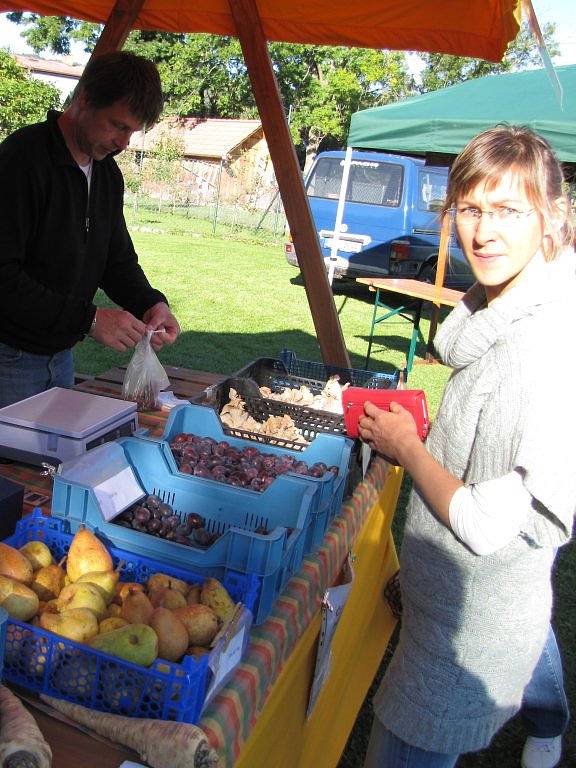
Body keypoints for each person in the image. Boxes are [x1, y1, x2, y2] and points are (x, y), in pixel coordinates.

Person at [358, 125, 575, 768]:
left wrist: (406, 446)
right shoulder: (498, 314)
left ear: (552, 219)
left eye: (508, 210)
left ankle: (549, 723)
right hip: (450, 609)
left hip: (469, 638)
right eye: (472, 209)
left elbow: (486, 526)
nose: (483, 232)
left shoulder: (550, 349)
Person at [0, 51, 180, 408]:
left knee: (56, 463)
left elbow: (116, 261)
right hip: (8, 359)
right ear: (84, 100)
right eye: (118, 125)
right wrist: (90, 319)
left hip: (60, 356)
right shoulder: (22, 160)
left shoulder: (107, 175)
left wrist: (150, 303)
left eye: (132, 131)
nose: (124, 143)